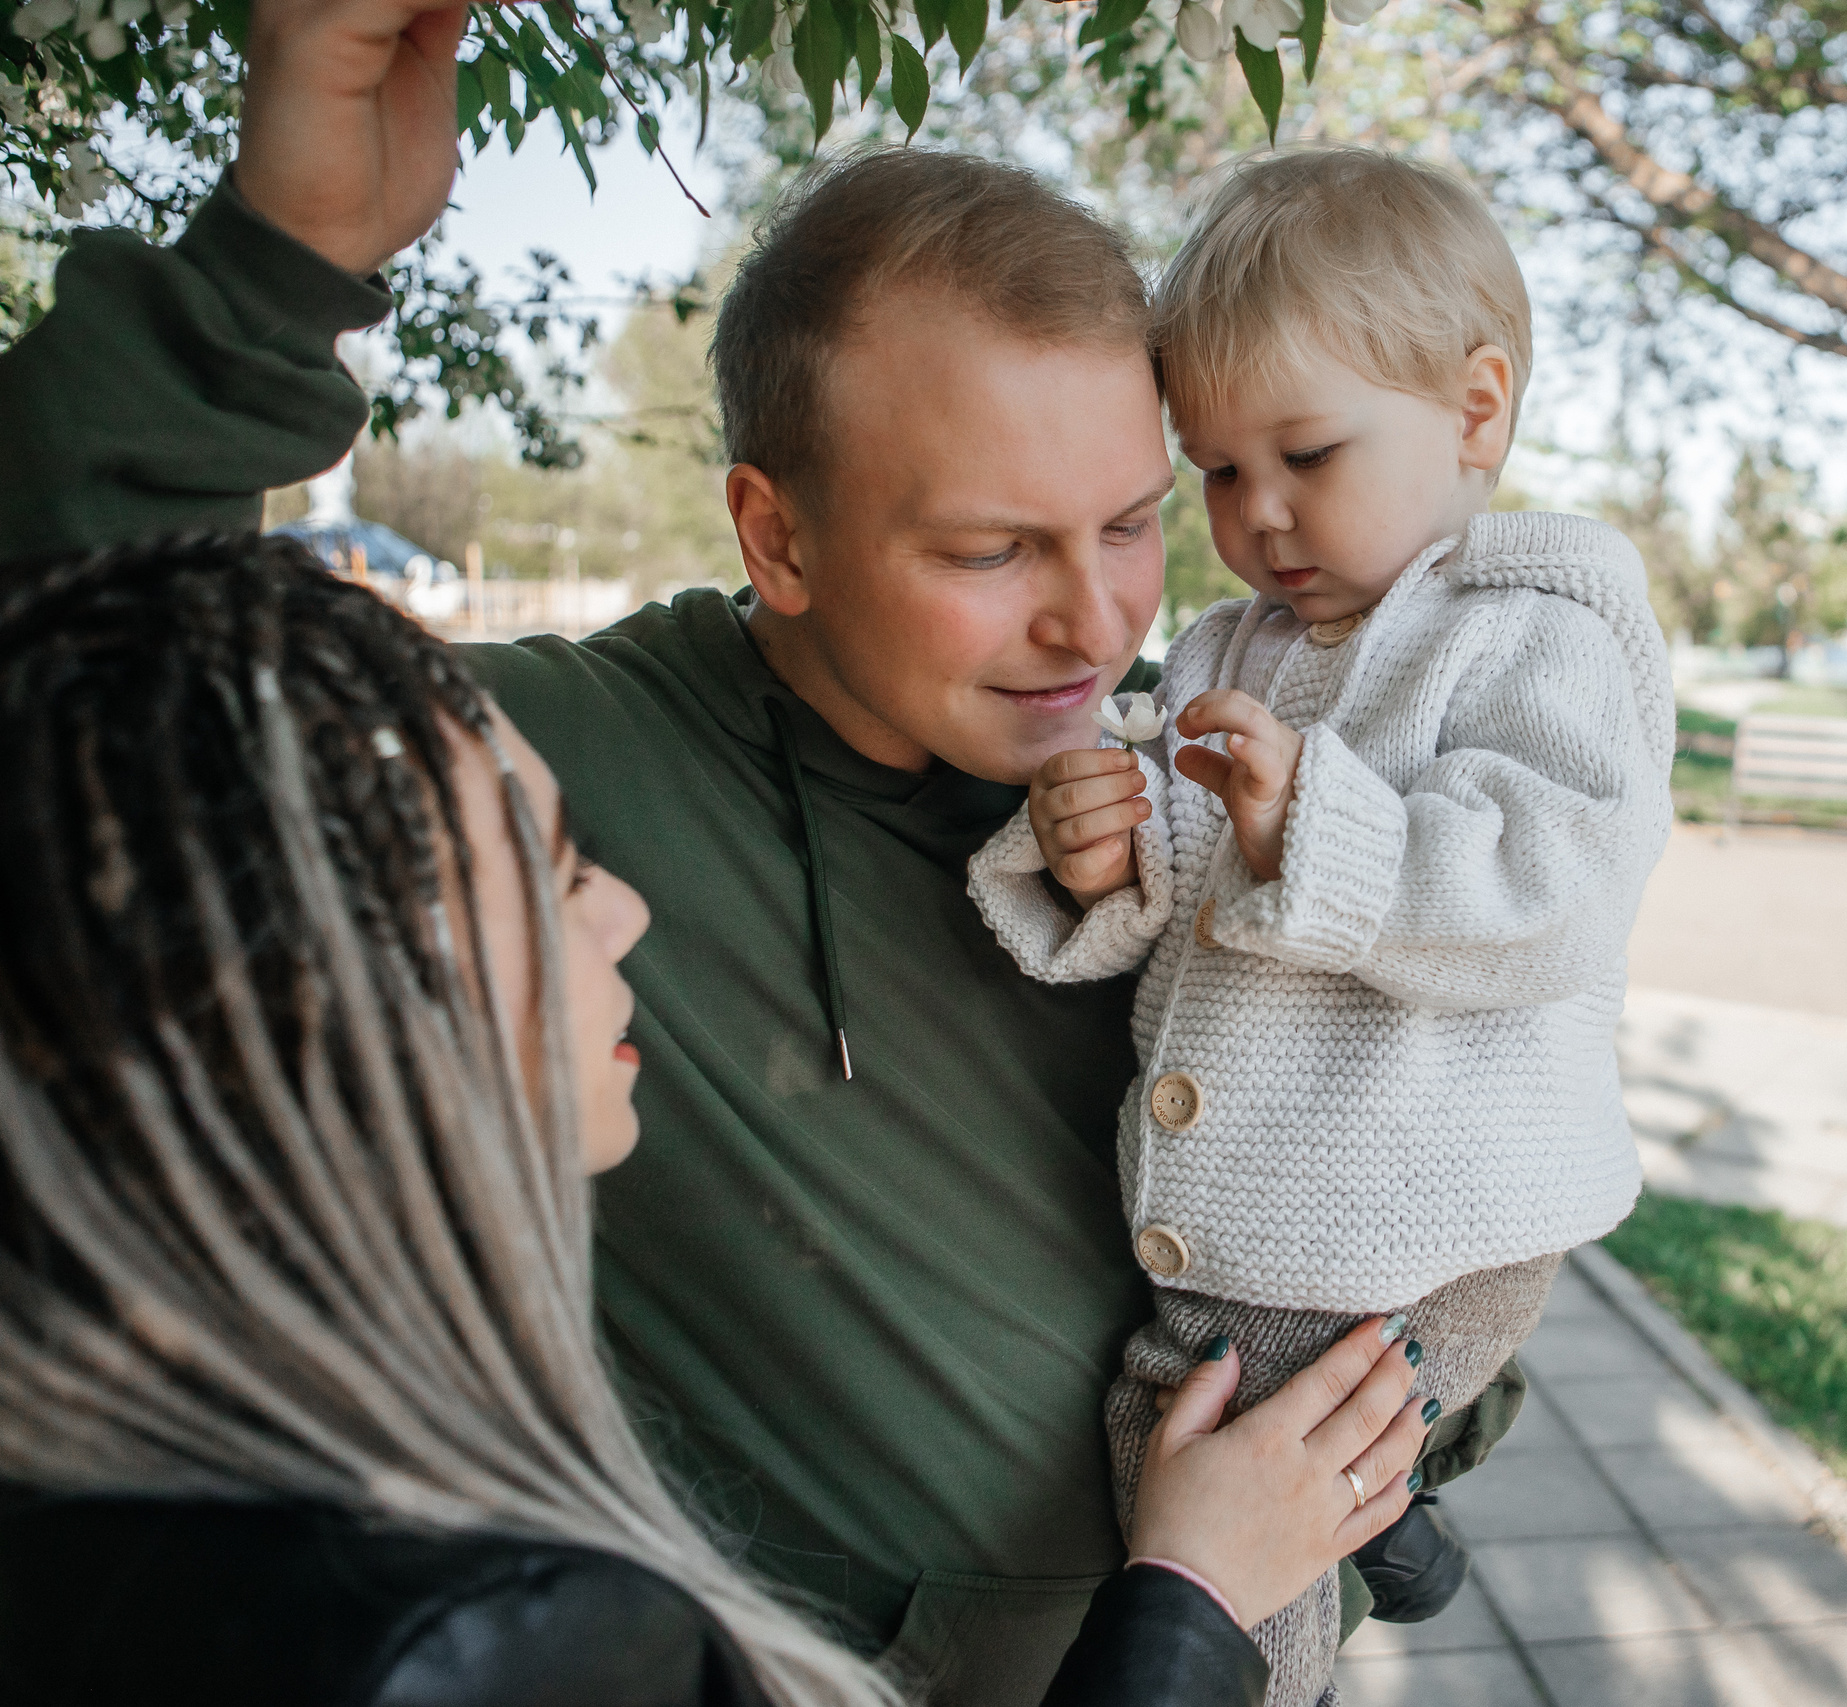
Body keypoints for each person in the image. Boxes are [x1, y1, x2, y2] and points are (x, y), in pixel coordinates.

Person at [0, 0, 1526, 1695]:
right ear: (775, 534)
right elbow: (79, 690)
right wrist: (281, 265)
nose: (1094, 623)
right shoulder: (540, 784)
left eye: (1126, 524)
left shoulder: (1200, 775)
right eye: (990, 548)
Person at [0, 531, 1432, 1705]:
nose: (620, 908)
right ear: (334, 989)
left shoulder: (165, 1482)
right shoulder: (483, 1640)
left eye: (1130, 520)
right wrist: (1192, 1604)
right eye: (556, 877)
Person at [968, 150, 1673, 1705]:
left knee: (1196, 1441)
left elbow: (1552, 885)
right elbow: (1187, 870)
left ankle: (1267, 1665)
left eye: (1306, 452)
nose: (1260, 513)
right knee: (1249, 1426)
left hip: (1417, 1212)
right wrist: (1102, 856)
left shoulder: (1536, 630)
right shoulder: (1235, 640)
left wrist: (1319, 831)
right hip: (1327, 1211)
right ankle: (1395, 1527)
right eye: (1217, 471)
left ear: (1476, 410)